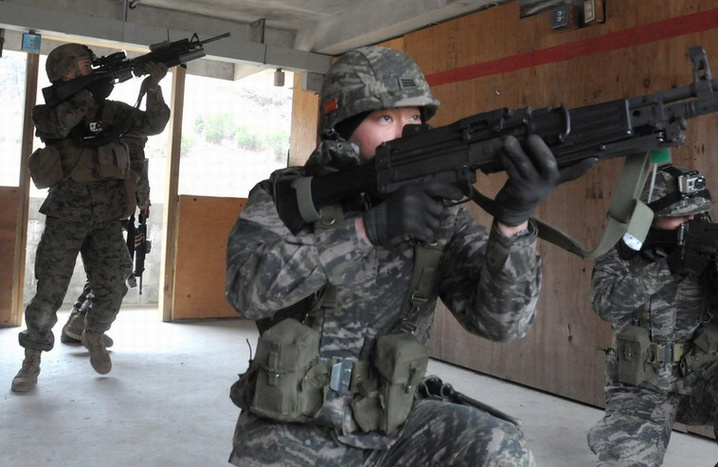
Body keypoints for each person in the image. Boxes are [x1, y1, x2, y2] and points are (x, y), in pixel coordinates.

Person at [225, 45, 597, 466]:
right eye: (385, 117)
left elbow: (501, 324)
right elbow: (246, 291)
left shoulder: (442, 214)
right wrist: (368, 230)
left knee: (499, 448)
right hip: (289, 431)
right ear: (340, 128)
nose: (405, 131)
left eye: (414, 117)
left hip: (390, 426)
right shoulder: (285, 198)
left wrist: (513, 222)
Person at [587, 164, 718, 467]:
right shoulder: (624, 247)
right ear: (648, 217)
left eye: (696, 213)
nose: (690, 222)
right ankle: (613, 435)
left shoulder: (714, 253)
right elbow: (605, 304)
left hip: (701, 377)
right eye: (679, 215)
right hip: (639, 388)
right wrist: (668, 268)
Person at [11, 43, 171, 393]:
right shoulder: (48, 112)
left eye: (90, 68)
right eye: (83, 67)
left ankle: (94, 332)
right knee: (49, 293)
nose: (90, 71)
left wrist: (155, 85)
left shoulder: (110, 110)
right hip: (66, 215)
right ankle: (32, 360)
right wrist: (91, 92)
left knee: (115, 282)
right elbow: (60, 126)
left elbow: (154, 124)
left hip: (107, 218)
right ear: (64, 74)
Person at [59, 134, 151, 348]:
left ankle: (76, 325)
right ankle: (91, 328)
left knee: (99, 273)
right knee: (119, 272)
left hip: (78, 214)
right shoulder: (132, 145)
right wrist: (143, 201)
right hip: (105, 219)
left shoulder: (102, 142)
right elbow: (138, 186)